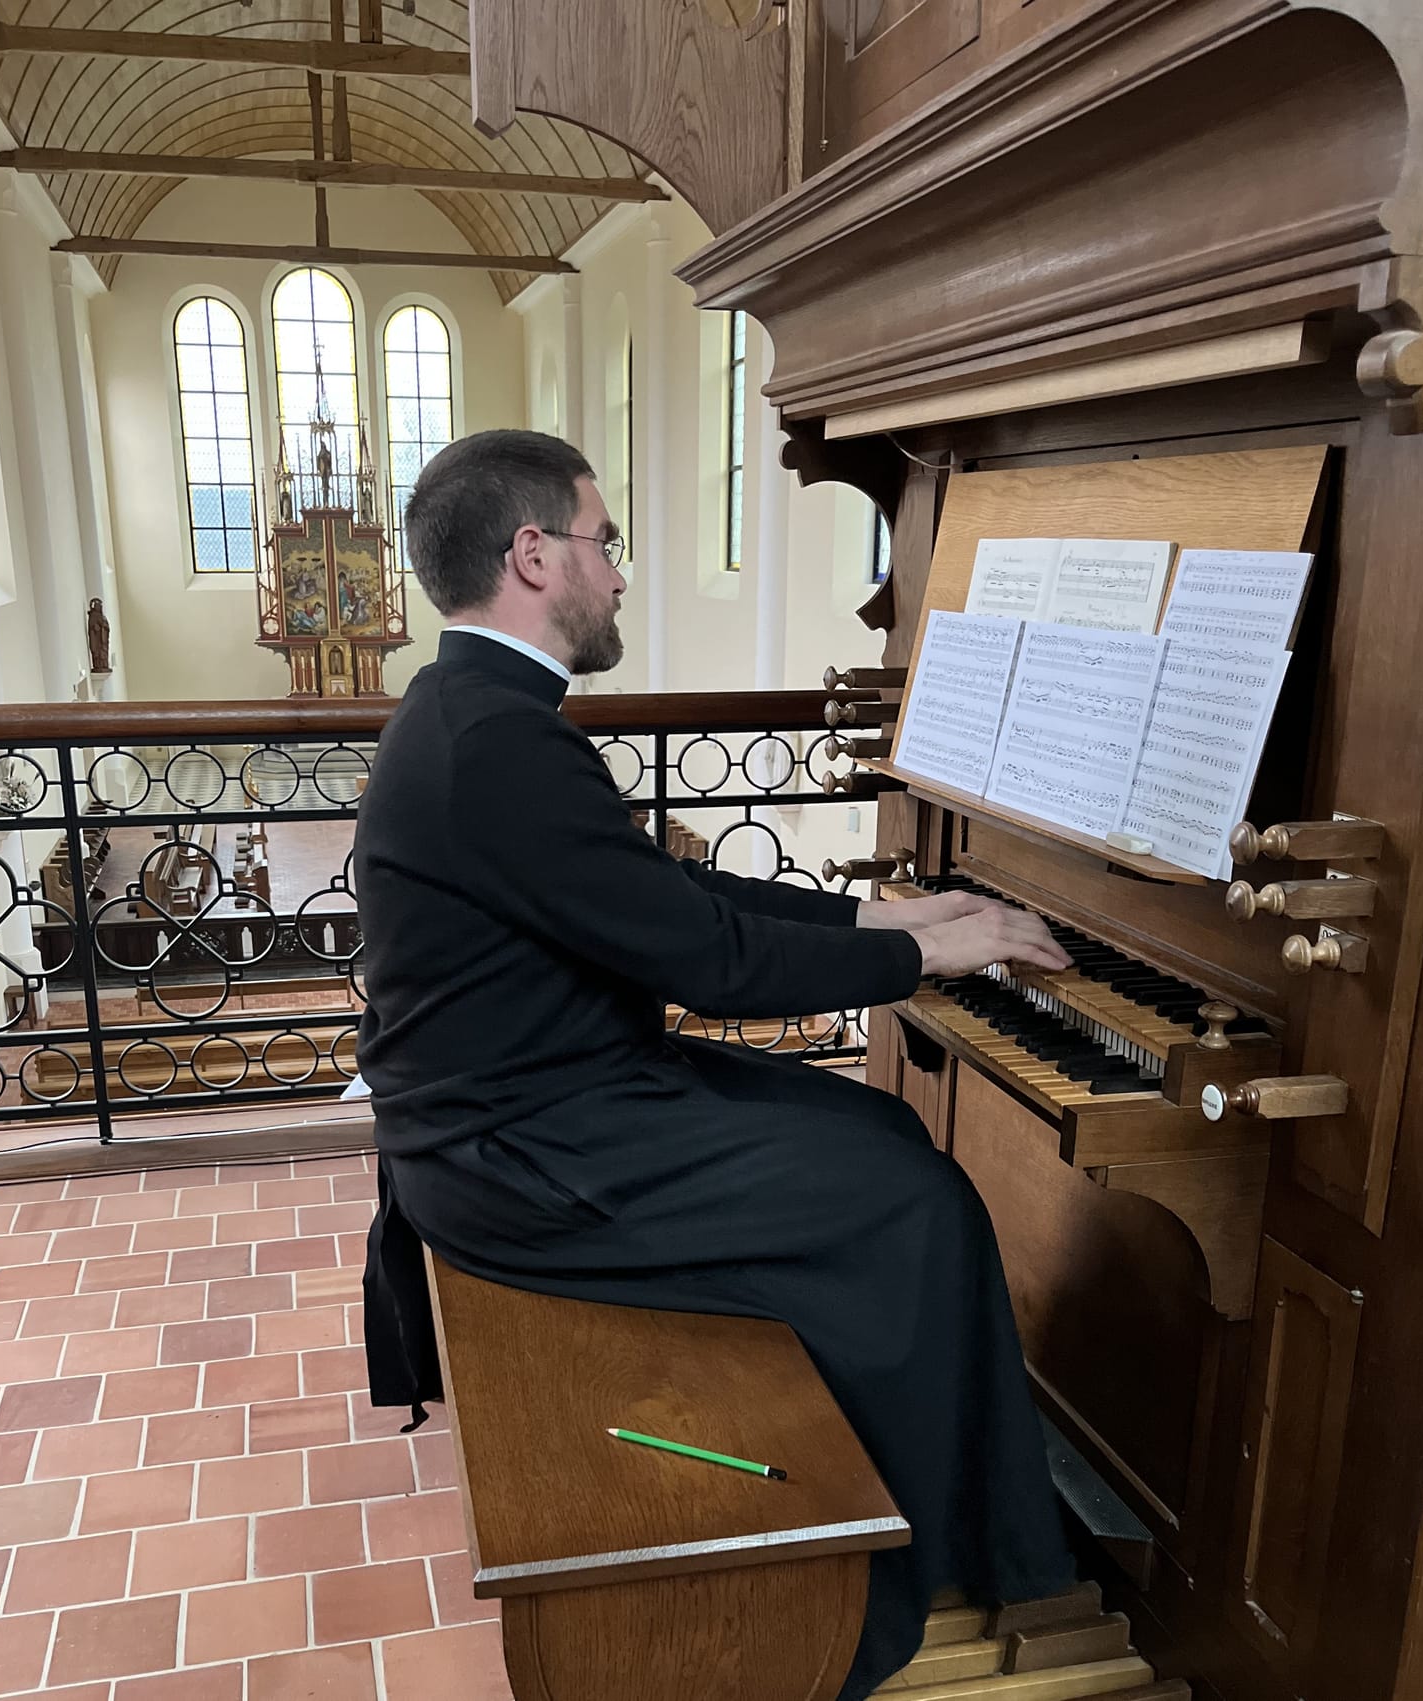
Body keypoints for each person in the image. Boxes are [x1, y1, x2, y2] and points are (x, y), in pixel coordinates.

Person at [354, 430, 1076, 1700]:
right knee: (917, 1204)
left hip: (546, 1106)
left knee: (886, 1143)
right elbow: (712, 964)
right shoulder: (496, 741)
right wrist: (925, 961)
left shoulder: (472, 712)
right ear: (533, 555)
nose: (619, 573)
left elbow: (665, 900)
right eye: (604, 540)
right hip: (527, 1153)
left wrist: (884, 918)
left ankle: (942, 1521)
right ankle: (888, 1594)